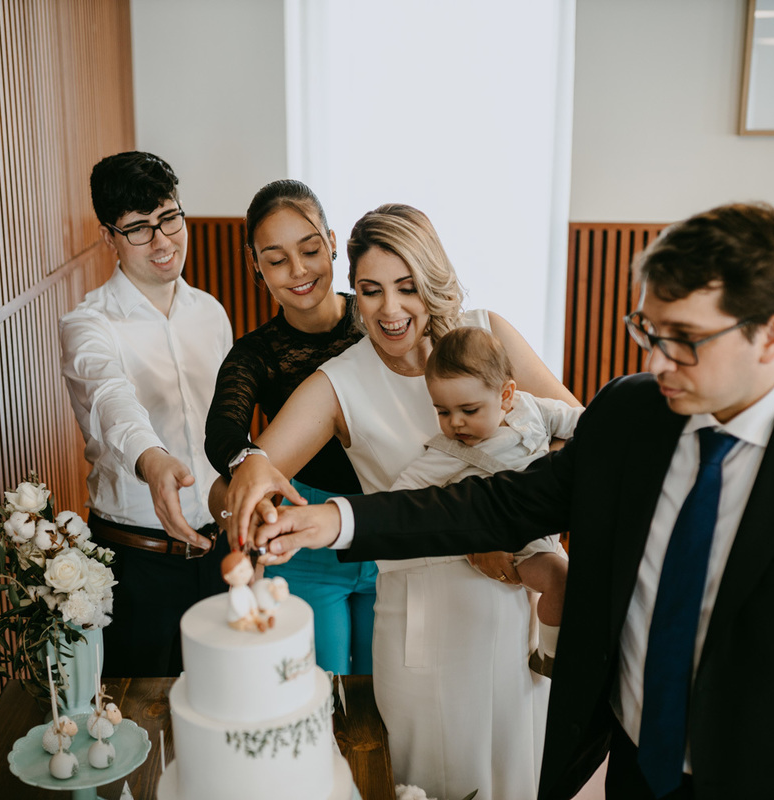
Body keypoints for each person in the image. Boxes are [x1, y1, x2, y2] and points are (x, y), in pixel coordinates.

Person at [254, 202, 774, 800]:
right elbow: (494, 505)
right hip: (628, 769)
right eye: (646, 330)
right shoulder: (633, 413)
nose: (656, 362)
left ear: (771, 335)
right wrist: (335, 518)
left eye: (682, 338)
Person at [226, 203, 581, 800]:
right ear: (354, 292)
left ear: (432, 279)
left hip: (518, 608)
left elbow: (578, 439)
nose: (390, 310)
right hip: (426, 625)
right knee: (443, 782)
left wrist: (520, 524)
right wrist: (247, 486)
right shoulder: (339, 381)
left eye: (407, 287)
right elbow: (256, 469)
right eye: (370, 290)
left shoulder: (487, 333)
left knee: (522, 774)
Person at [59, 151, 231, 677]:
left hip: (221, 556)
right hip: (137, 565)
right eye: (138, 229)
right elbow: (113, 401)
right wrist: (153, 461)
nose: (162, 242)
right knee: (140, 723)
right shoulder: (88, 324)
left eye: (170, 218)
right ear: (108, 236)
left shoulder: (211, 313)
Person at [204, 179, 375, 675]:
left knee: (386, 696)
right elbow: (224, 428)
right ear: (256, 266)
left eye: (310, 250)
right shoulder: (254, 353)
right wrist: (248, 461)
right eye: (277, 259)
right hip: (304, 544)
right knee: (317, 693)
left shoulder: (378, 324)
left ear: (333, 242)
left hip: (389, 534)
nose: (299, 272)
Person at [391, 326, 580, 677]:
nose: (456, 423)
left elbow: (580, 422)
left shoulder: (533, 409)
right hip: (515, 548)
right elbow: (403, 494)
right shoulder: (449, 451)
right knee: (561, 578)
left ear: (506, 395)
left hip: (550, 530)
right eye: (443, 412)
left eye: (468, 409)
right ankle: (552, 657)